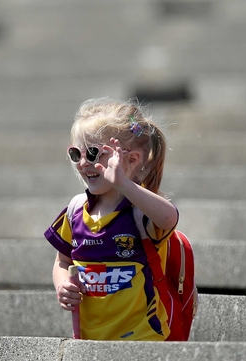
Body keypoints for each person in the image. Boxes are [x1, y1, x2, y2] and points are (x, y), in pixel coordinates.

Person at [44, 97, 179, 341]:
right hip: (90, 337)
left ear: (132, 159)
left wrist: (124, 185)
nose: (84, 162)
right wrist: (62, 285)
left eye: (94, 153)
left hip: (142, 338)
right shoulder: (75, 211)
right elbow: (62, 261)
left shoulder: (140, 210)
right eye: (76, 154)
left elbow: (169, 217)